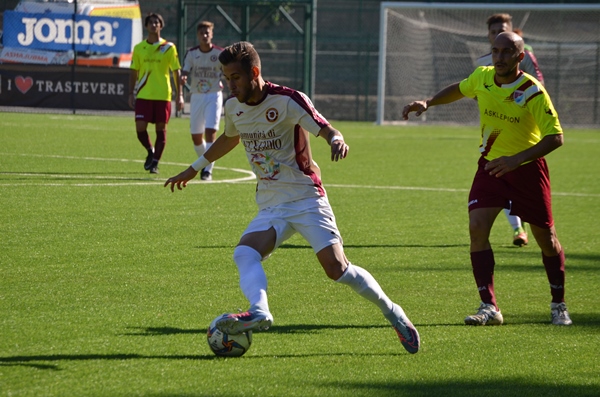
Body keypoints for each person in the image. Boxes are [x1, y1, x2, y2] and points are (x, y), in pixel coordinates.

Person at [164, 41, 421, 353]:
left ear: (254, 73)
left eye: (234, 78)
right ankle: (259, 311)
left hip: (306, 198)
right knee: (244, 253)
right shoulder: (233, 107)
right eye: (225, 77)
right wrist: (194, 169)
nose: (228, 84)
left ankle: (393, 313)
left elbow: (324, 127)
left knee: (336, 269)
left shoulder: (288, 100)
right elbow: (230, 137)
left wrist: (336, 139)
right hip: (271, 204)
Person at [402, 32, 572, 326]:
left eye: (507, 52)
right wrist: (428, 103)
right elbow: (461, 88)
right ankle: (489, 306)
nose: (500, 57)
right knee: (477, 228)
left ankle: (558, 305)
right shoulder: (482, 77)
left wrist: (517, 159)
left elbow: (556, 137)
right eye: (496, 51)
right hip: (492, 167)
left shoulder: (532, 91)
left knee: (547, 240)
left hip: (527, 170)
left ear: (520, 57)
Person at [476, 13, 545, 247]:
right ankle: (518, 229)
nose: (498, 35)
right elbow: (476, 90)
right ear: (488, 36)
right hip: (496, 133)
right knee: (499, 175)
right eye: (494, 32)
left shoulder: (524, 54)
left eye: (502, 30)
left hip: (524, 134)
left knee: (526, 196)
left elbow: (536, 84)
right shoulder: (482, 63)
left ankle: (533, 230)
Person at [129, 13, 184, 174]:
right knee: (140, 129)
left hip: (162, 95)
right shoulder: (139, 48)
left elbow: (176, 72)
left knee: (161, 130)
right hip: (143, 95)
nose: (154, 25)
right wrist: (130, 93)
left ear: (161, 25)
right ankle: (150, 150)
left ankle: (155, 163)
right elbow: (133, 71)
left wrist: (179, 95)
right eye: (151, 22)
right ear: (146, 26)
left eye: (157, 22)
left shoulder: (169, 47)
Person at [180, 21, 224, 181]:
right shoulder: (192, 54)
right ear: (197, 35)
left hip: (214, 95)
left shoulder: (220, 54)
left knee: (210, 132)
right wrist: (183, 77)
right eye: (201, 33)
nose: (204, 36)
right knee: (196, 137)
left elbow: (228, 71)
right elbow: (184, 70)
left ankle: (207, 170)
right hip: (197, 96)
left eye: (207, 33)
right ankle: (206, 163)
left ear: (211, 35)